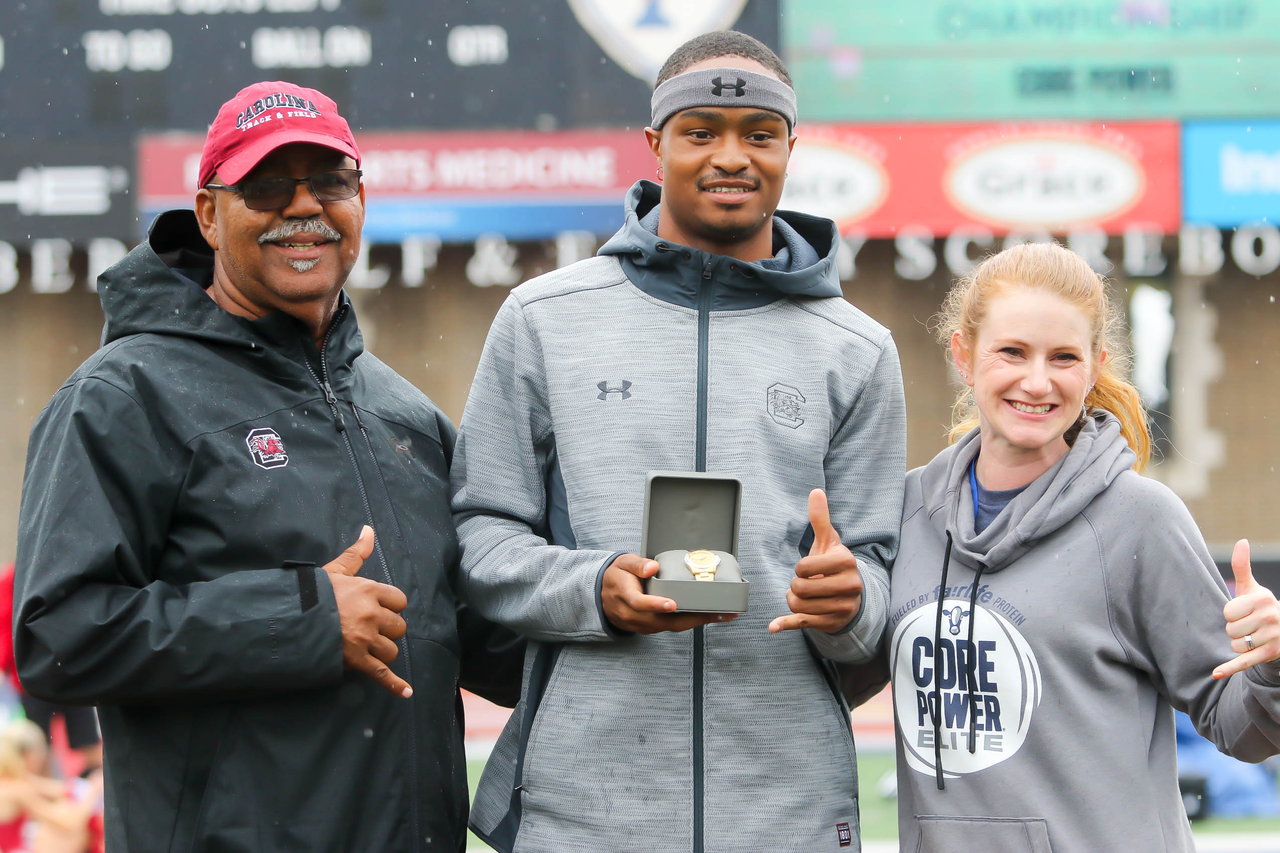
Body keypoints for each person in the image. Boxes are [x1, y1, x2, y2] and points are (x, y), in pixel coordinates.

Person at [15, 81, 523, 853]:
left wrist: (621, 603)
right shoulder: (123, 394)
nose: (303, 207)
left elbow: (477, 635)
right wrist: (300, 618)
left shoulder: (406, 416)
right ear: (210, 214)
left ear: (360, 199)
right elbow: (58, 637)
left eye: (328, 181)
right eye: (266, 186)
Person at [453, 31, 906, 853]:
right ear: (656, 144)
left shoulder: (859, 349)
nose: (730, 156)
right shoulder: (543, 319)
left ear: (791, 148)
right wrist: (593, 589)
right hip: (584, 813)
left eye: (758, 134)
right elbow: (481, 537)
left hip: (788, 813)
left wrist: (851, 601)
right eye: (701, 131)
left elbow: (879, 579)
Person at [887, 241, 1280, 851]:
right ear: (963, 354)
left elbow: (1243, 730)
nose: (1036, 381)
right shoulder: (907, 511)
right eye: (1012, 351)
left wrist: (1275, 663)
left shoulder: (1140, 521)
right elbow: (840, 676)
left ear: (1096, 367)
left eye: (1063, 357)